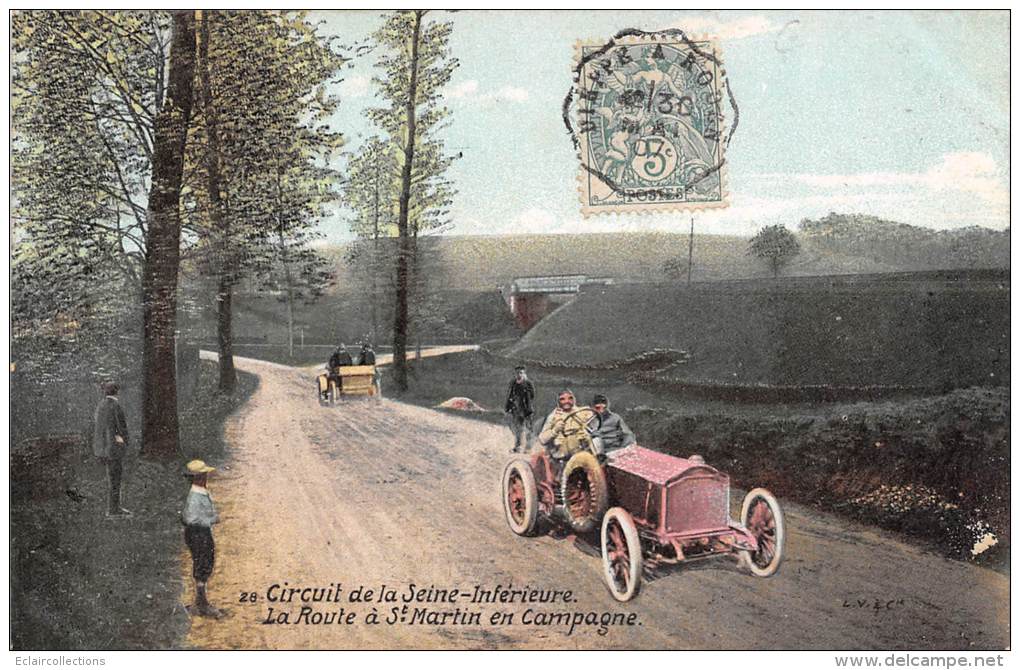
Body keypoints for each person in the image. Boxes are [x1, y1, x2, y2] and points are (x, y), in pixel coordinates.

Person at [182, 459, 224, 619]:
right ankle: (201, 604)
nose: (206, 477)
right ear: (198, 477)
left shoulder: (200, 492)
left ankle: (200, 602)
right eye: (204, 475)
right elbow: (190, 518)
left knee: (206, 562)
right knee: (203, 563)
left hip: (201, 531)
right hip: (198, 532)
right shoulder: (195, 496)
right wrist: (211, 519)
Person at [93, 380, 131, 518]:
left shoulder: (100, 405)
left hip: (102, 450)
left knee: (111, 479)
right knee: (115, 479)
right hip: (113, 449)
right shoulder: (115, 406)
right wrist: (125, 441)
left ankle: (112, 508)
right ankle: (114, 509)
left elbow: (99, 429)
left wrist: (98, 449)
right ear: (117, 392)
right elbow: (121, 428)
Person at [538, 389, 587, 460]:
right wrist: (555, 430)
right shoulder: (553, 416)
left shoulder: (583, 412)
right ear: (558, 401)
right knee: (571, 439)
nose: (567, 401)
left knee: (596, 439)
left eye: (570, 398)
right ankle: (578, 465)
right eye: (562, 399)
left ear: (574, 400)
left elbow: (594, 427)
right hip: (561, 451)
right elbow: (542, 439)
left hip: (583, 445)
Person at [504, 365, 536, 453]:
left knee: (529, 428)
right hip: (516, 409)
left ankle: (528, 448)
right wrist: (508, 407)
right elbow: (509, 395)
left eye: (521, 373)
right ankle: (518, 447)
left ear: (524, 374)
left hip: (526, 410)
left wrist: (526, 403)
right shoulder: (513, 383)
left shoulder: (528, 383)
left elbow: (532, 395)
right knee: (518, 429)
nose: (519, 375)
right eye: (517, 373)